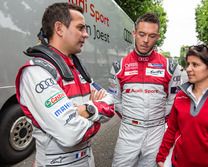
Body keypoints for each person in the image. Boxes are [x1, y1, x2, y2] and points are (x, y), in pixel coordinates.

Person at [15, 3, 114, 167]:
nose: (86, 34)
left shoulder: (76, 67)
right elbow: (71, 134)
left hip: (87, 159)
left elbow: (111, 103)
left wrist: (86, 110)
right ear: (59, 29)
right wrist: (95, 108)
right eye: (81, 28)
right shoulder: (37, 72)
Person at [109, 13, 183, 167]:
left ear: (158, 37)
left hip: (156, 131)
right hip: (129, 130)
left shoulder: (170, 67)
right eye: (142, 34)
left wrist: (157, 120)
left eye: (152, 36)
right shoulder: (118, 66)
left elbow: (173, 100)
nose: (146, 40)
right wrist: (131, 117)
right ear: (134, 33)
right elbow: (115, 100)